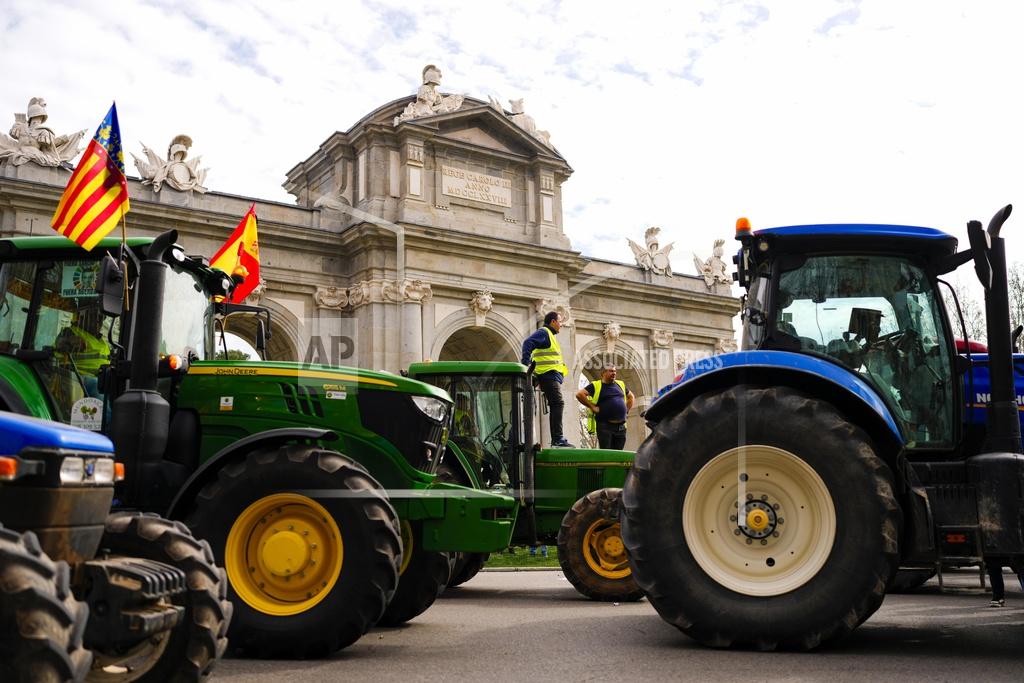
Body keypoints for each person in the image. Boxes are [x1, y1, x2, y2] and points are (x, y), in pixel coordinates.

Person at [522, 311, 573, 447]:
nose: (561, 325)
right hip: (547, 375)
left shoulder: (549, 335)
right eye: (560, 321)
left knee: (557, 404)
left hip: (550, 376)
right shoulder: (544, 332)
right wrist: (525, 364)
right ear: (553, 322)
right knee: (558, 403)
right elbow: (528, 342)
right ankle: (557, 438)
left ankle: (557, 438)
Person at [576, 364, 634, 450]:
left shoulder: (620, 384)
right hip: (605, 426)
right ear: (603, 373)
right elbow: (580, 394)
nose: (614, 373)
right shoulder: (595, 385)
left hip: (621, 427)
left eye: (615, 371)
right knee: (607, 453)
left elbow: (631, 397)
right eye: (611, 371)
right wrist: (593, 407)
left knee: (618, 454)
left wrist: (626, 411)